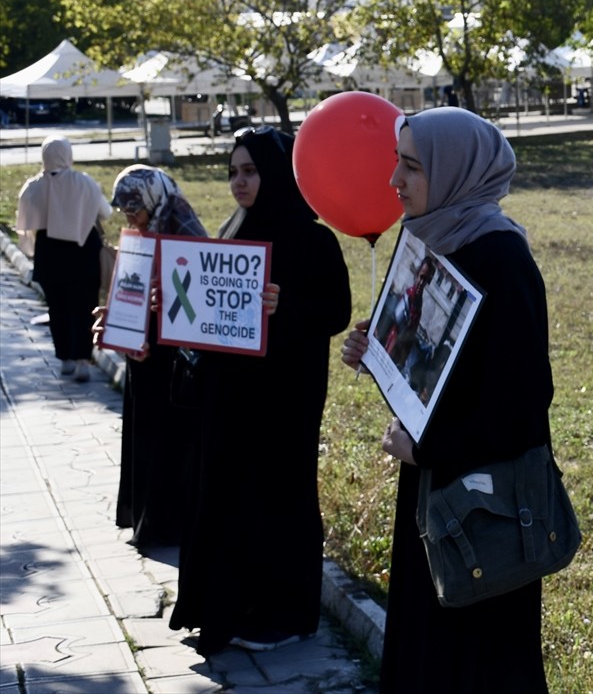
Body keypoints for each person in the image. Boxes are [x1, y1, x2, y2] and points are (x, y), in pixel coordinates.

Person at [340, 106, 554, 692]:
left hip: (485, 510)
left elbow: (521, 409)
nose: (394, 181)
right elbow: (443, 365)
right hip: (437, 490)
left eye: (412, 167)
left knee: (474, 663)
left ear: (456, 169)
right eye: (398, 163)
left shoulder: (501, 259)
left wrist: (426, 450)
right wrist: (382, 347)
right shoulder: (436, 237)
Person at [167, 126, 352, 655]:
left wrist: (283, 306)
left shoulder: (314, 240)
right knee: (229, 496)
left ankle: (285, 614)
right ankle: (228, 607)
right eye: (233, 172)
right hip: (231, 397)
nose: (239, 182)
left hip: (285, 400)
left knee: (279, 498)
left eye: (250, 171)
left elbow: (335, 313)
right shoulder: (233, 229)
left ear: (277, 172)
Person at [101, 165, 208, 548]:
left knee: (166, 439)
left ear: (152, 198)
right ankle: (142, 517)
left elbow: (198, 296)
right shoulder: (145, 228)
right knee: (142, 433)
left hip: (171, 354)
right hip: (143, 348)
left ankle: (163, 524)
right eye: (124, 210)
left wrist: (160, 312)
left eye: (134, 208)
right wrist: (115, 318)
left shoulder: (184, 228)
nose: (129, 216)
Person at [16, 135, 113, 382]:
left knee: (58, 308)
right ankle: (83, 360)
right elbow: (105, 212)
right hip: (82, 251)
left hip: (50, 253)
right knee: (84, 307)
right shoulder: (84, 182)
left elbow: (24, 223)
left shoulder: (33, 187)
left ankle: (65, 359)